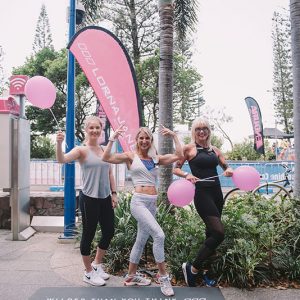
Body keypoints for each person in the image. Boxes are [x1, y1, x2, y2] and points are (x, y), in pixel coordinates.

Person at [102, 125, 183, 296]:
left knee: (141, 241)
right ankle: (164, 278)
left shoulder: (155, 158)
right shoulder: (131, 156)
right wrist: (112, 138)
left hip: (151, 203)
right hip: (138, 202)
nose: (144, 141)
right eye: (141, 138)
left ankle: (131, 276)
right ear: (137, 140)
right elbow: (106, 157)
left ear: (150, 140)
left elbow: (180, 156)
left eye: (147, 138)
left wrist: (175, 136)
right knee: (159, 235)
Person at [56, 116, 117, 286]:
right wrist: (59, 143)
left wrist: (114, 193)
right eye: (91, 128)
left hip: (105, 197)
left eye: (97, 128)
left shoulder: (105, 149)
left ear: (101, 129)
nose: (95, 131)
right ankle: (88, 272)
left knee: (109, 231)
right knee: (88, 235)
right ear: (86, 130)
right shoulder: (81, 150)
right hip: (89, 198)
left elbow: (110, 172)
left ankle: (97, 265)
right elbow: (62, 160)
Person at [173, 117, 233, 287]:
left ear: (209, 131)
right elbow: (176, 168)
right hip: (202, 194)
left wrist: (229, 169)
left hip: (216, 194)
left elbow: (226, 166)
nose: (201, 132)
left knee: (211, 234)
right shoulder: (189, 149)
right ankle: (193, 268)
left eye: (204, 128)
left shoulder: (215, 150)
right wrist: (187, 175)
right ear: (194, 131)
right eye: (198, 129)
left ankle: (207, 273)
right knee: (219, 233)